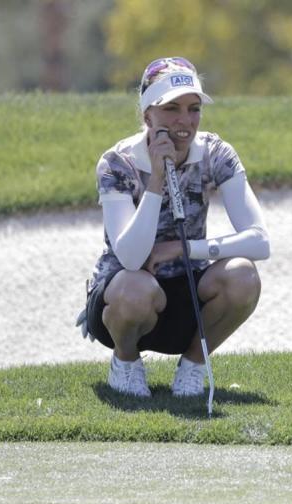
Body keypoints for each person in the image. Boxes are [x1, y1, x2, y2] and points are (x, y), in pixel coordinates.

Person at [77, 56, 270, 398]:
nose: (185, 121)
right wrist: (155, 181)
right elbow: (133, 258)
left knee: (243, 275)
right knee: (136, 290)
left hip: (187, 297)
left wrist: (184, 249)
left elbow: (259, 242)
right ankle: (126, 364)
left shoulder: (216, 153)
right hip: (125, 298)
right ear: (147, 113)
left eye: (194, 109)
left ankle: (193, 368)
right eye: (171, 109)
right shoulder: (117, 162)